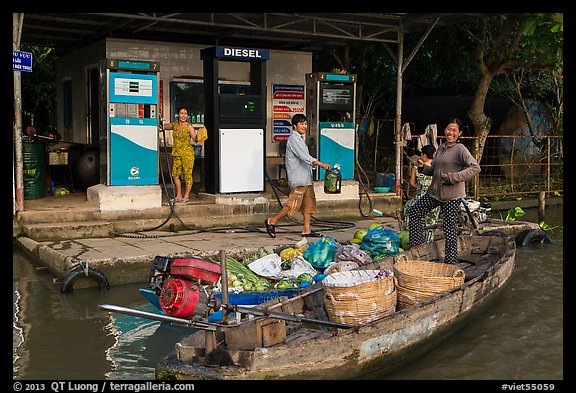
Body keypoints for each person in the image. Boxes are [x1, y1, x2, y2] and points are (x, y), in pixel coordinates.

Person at [407, 118, 480, 264]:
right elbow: (433, 169)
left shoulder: (461, 149)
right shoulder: (440, 147)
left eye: (454, 130)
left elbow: (475, 168)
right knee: (414, 212)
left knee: (449, 229)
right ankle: (418, 247)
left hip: (452, 196)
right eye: (448, 129)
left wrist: (454, 177)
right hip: (434, 193)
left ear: (459, 133)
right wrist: (423, 167)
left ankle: (450, 262)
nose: (450, 133)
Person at [264, 113, 331, 238]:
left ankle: (306, 230)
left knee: (309, 205)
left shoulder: (300, 139)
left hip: (306, 178)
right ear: (294, 126)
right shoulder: (293, 139)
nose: (304, 126)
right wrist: (320, 163)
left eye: (305, 123)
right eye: (301, 123)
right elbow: (304, 156)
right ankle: (272, 221)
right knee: (292, 205)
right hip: (299, 179)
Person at [402, 144, 439, 242]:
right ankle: (428, 243)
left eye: (421, 154)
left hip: (419, 199)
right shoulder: (438, 166)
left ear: (425, 155)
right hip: (435, 199)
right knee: (431, 222)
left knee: (408, 210)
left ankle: (410, 236)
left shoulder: (417, 166)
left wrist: (421, 188)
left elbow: (412, 183)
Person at [164, 106, 198, 203]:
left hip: (187, 154)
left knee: (187, 174)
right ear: (178, 115)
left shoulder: (189, 126)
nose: (183, 115)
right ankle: (178, 195)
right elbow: (164, 126)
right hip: (177, 153)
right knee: (175, 174)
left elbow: (195, 139)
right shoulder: (174, 125)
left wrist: (199, 135)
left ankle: (186, 195)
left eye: (185, 113)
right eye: (181, 113)